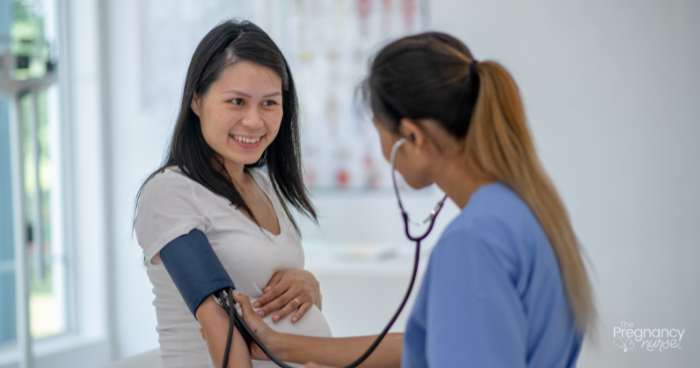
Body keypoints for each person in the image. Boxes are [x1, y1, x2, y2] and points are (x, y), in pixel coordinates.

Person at [231, 31, 597, 368]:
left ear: (411, 136)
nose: (383, 150)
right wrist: (284, 346)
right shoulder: (521, 213)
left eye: (380, 132)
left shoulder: (473, 245)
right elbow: (434, 345)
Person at [133, 20, 331, 367]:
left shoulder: (266, 186)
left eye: (269, 103)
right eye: (237, 102)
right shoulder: (170, 193)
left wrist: (310, 288)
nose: (254, 121)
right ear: (197, 100)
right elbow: (217, 326)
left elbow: (274, 307)